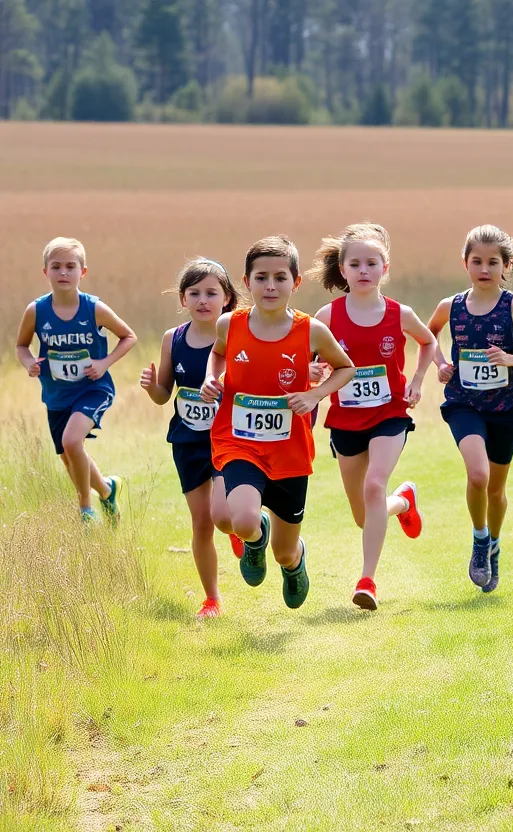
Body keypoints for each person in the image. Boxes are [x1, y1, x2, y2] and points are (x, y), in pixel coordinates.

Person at [201, 235, 356, 609]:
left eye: (280, 277)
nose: (270, 286)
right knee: (242, 520)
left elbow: (345, 368)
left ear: (295, 282)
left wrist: (316, 395)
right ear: (247, 281)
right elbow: (217, 354)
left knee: (284, 552)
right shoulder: (229, 324)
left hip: (289, 451)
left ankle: (294, 562)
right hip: (238, 441)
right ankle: (255, 539)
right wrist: (211, 377)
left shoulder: (311, 331)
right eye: (261, 277)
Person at [306, 223, 436, 611]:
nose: (364, 270)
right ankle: (404, 502)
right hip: (345, 420)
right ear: (342, 270)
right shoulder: (327, 316)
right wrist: (312, 372)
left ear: (385, 268)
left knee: (374, 485)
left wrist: (417, 380)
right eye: (355, 264)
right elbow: (304, 361)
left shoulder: (400, 314)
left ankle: (367, 581)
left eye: (372, 263)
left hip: (389, 413)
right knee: (365, 515)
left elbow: (428, 341)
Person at [427, 226, 513, 594]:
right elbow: (427, 336)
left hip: (504, 408)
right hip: (464, 403)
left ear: (506, 266)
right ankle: (480, 539)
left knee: (496, 491)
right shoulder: (450, 306)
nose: (484, 269)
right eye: (477, 261)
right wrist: (440, 363)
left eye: (493, 262)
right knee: (478, 475)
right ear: (465, 263)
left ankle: (494, 545)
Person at [140, 258, 245, 617]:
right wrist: (152, 387)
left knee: (222, 514)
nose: (203, 300)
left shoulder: (238, 334)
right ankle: (212, 599)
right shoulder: (173, 338)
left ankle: (238, 526)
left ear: (227, 298)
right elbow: (163, 394)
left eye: (211, 293)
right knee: (201, 522)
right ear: (183, 298)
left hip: (228, 438)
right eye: (194, 293)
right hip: (187, 442)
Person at [15, 237, 136, 524]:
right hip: (56, 394)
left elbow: (128, 336)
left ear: (83, 271)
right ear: (45, 272)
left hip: (93, 389)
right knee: (69, 455)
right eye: (56, 266)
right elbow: (21, 345)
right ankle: (107, 490)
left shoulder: (94, 308)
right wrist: (29, 363)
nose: (63, 272)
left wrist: (104, 363)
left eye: (71, 266)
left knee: (71, 441)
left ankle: (85, 510)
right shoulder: (36, 311)